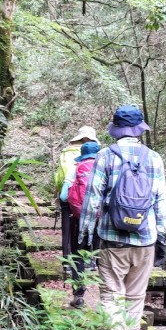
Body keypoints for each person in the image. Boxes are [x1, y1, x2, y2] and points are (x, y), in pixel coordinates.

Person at [78, 105, 166, 330]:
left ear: (116, 130)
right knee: (135, 298)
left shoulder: (104, 156)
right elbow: (161, 204)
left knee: (110, 295)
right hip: (145, 240)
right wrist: (162, 237)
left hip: (112, 238)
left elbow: (93, 200)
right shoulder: (154, 159)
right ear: (139, 129)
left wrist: (85, 235)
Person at [53, 126, 98, 306]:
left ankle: (79, 294)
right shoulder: (107, 168)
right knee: (100, 251)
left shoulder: (75, 167)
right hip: (101, 219)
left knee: (77, 253)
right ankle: (111, 300)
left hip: (78, 216)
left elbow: (64, 196)